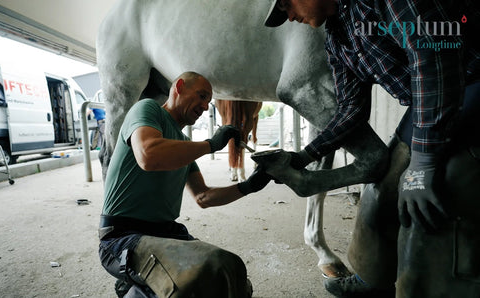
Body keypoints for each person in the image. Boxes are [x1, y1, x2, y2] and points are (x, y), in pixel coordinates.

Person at [264, 0, 480, 297]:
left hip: (471, 79)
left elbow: (433, 55)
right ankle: (372, 278)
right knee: (380, 192)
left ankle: (420, 288)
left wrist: (423, 163)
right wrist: (304, 156)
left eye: (287, 4)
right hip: (427, 99)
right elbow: (351, 109)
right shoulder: (338, 37)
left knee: (424, 200)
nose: (288, 15)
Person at [98, 71, 272, 298]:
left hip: (167, 234)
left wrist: (250, 185)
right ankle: (140, 287)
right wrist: (210, 144)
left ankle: (140, 284)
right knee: (205, 272)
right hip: (122, 237)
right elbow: (149, 156)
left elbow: (203, 197)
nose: (205, 106)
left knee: (235, 278)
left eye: (208, 101)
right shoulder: (148, 109)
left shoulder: (183, 145)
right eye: (201, 96)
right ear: (178, 87)